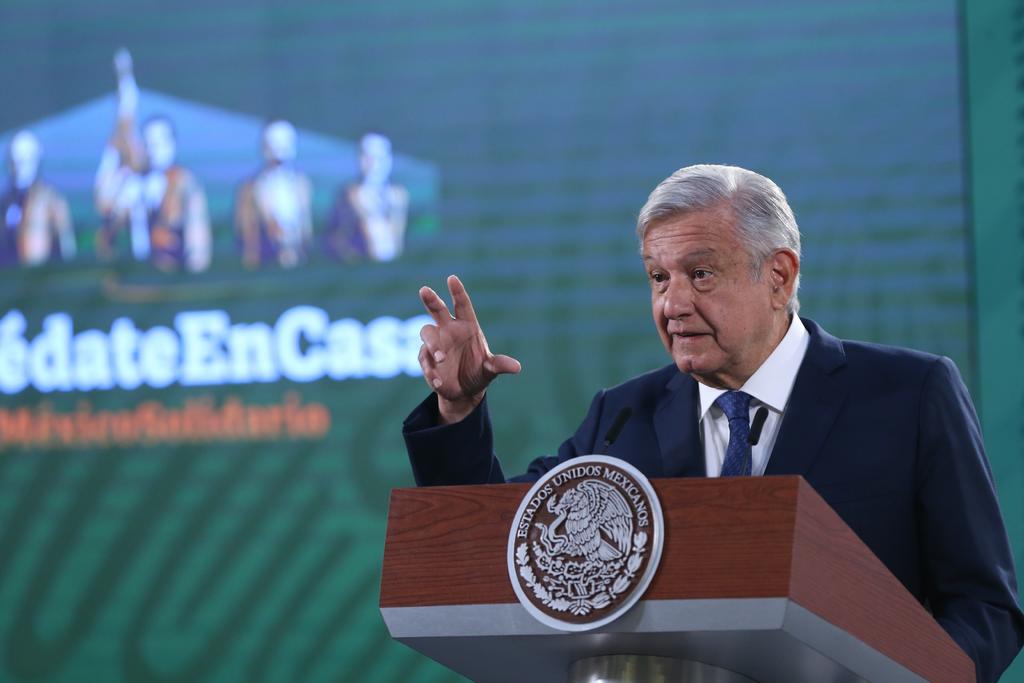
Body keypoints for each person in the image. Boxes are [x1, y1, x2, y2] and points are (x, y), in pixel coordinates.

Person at [402, 165, 1024, 682]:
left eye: (700, 274)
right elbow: (505, 551)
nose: (672, 304)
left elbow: (984, 606)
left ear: (778, 276)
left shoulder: (908, 395)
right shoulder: (622, 416)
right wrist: (459, 410)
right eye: (658, 277)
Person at [94, 48, 211, 272]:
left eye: (161, 141)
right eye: (148, 142)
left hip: (171, 276)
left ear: (173, 143)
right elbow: (105, 208)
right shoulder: (131, 181)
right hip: (131, 276)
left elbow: (198, 248)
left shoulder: (184, 181)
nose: (154, 148)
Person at [235, 119, 313, 269]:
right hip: (266, 264)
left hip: (298, 262)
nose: (278, 162)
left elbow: (306, 230)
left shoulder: (301, 184)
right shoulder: (250, 189)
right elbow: (247, 235)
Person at [325, 132, 408, 262]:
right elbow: (336, 239)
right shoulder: (348, 195)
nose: (373, 164)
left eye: (379, 158)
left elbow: (400, 241)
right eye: (367, 158)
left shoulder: (398, 195)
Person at [0, 130, 75, 267]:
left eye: (25, 161)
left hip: (42, 273)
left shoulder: (51, 200)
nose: (19, 168)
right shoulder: (6, 202)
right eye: (16, 162)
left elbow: (67, 247)